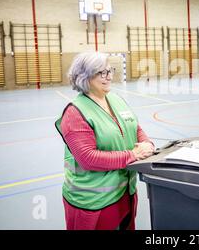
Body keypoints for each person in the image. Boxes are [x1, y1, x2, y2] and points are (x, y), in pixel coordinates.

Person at [55, 51, 155, 230]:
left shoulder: (116, 99)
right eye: (101, 72)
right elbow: (88, 158)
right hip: (93, 202)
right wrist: (132, 155)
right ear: (84, 77)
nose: (108, 77)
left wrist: (147, 143)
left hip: (125, 193)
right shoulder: (74, 112)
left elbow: (135, 127)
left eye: (110, 71)